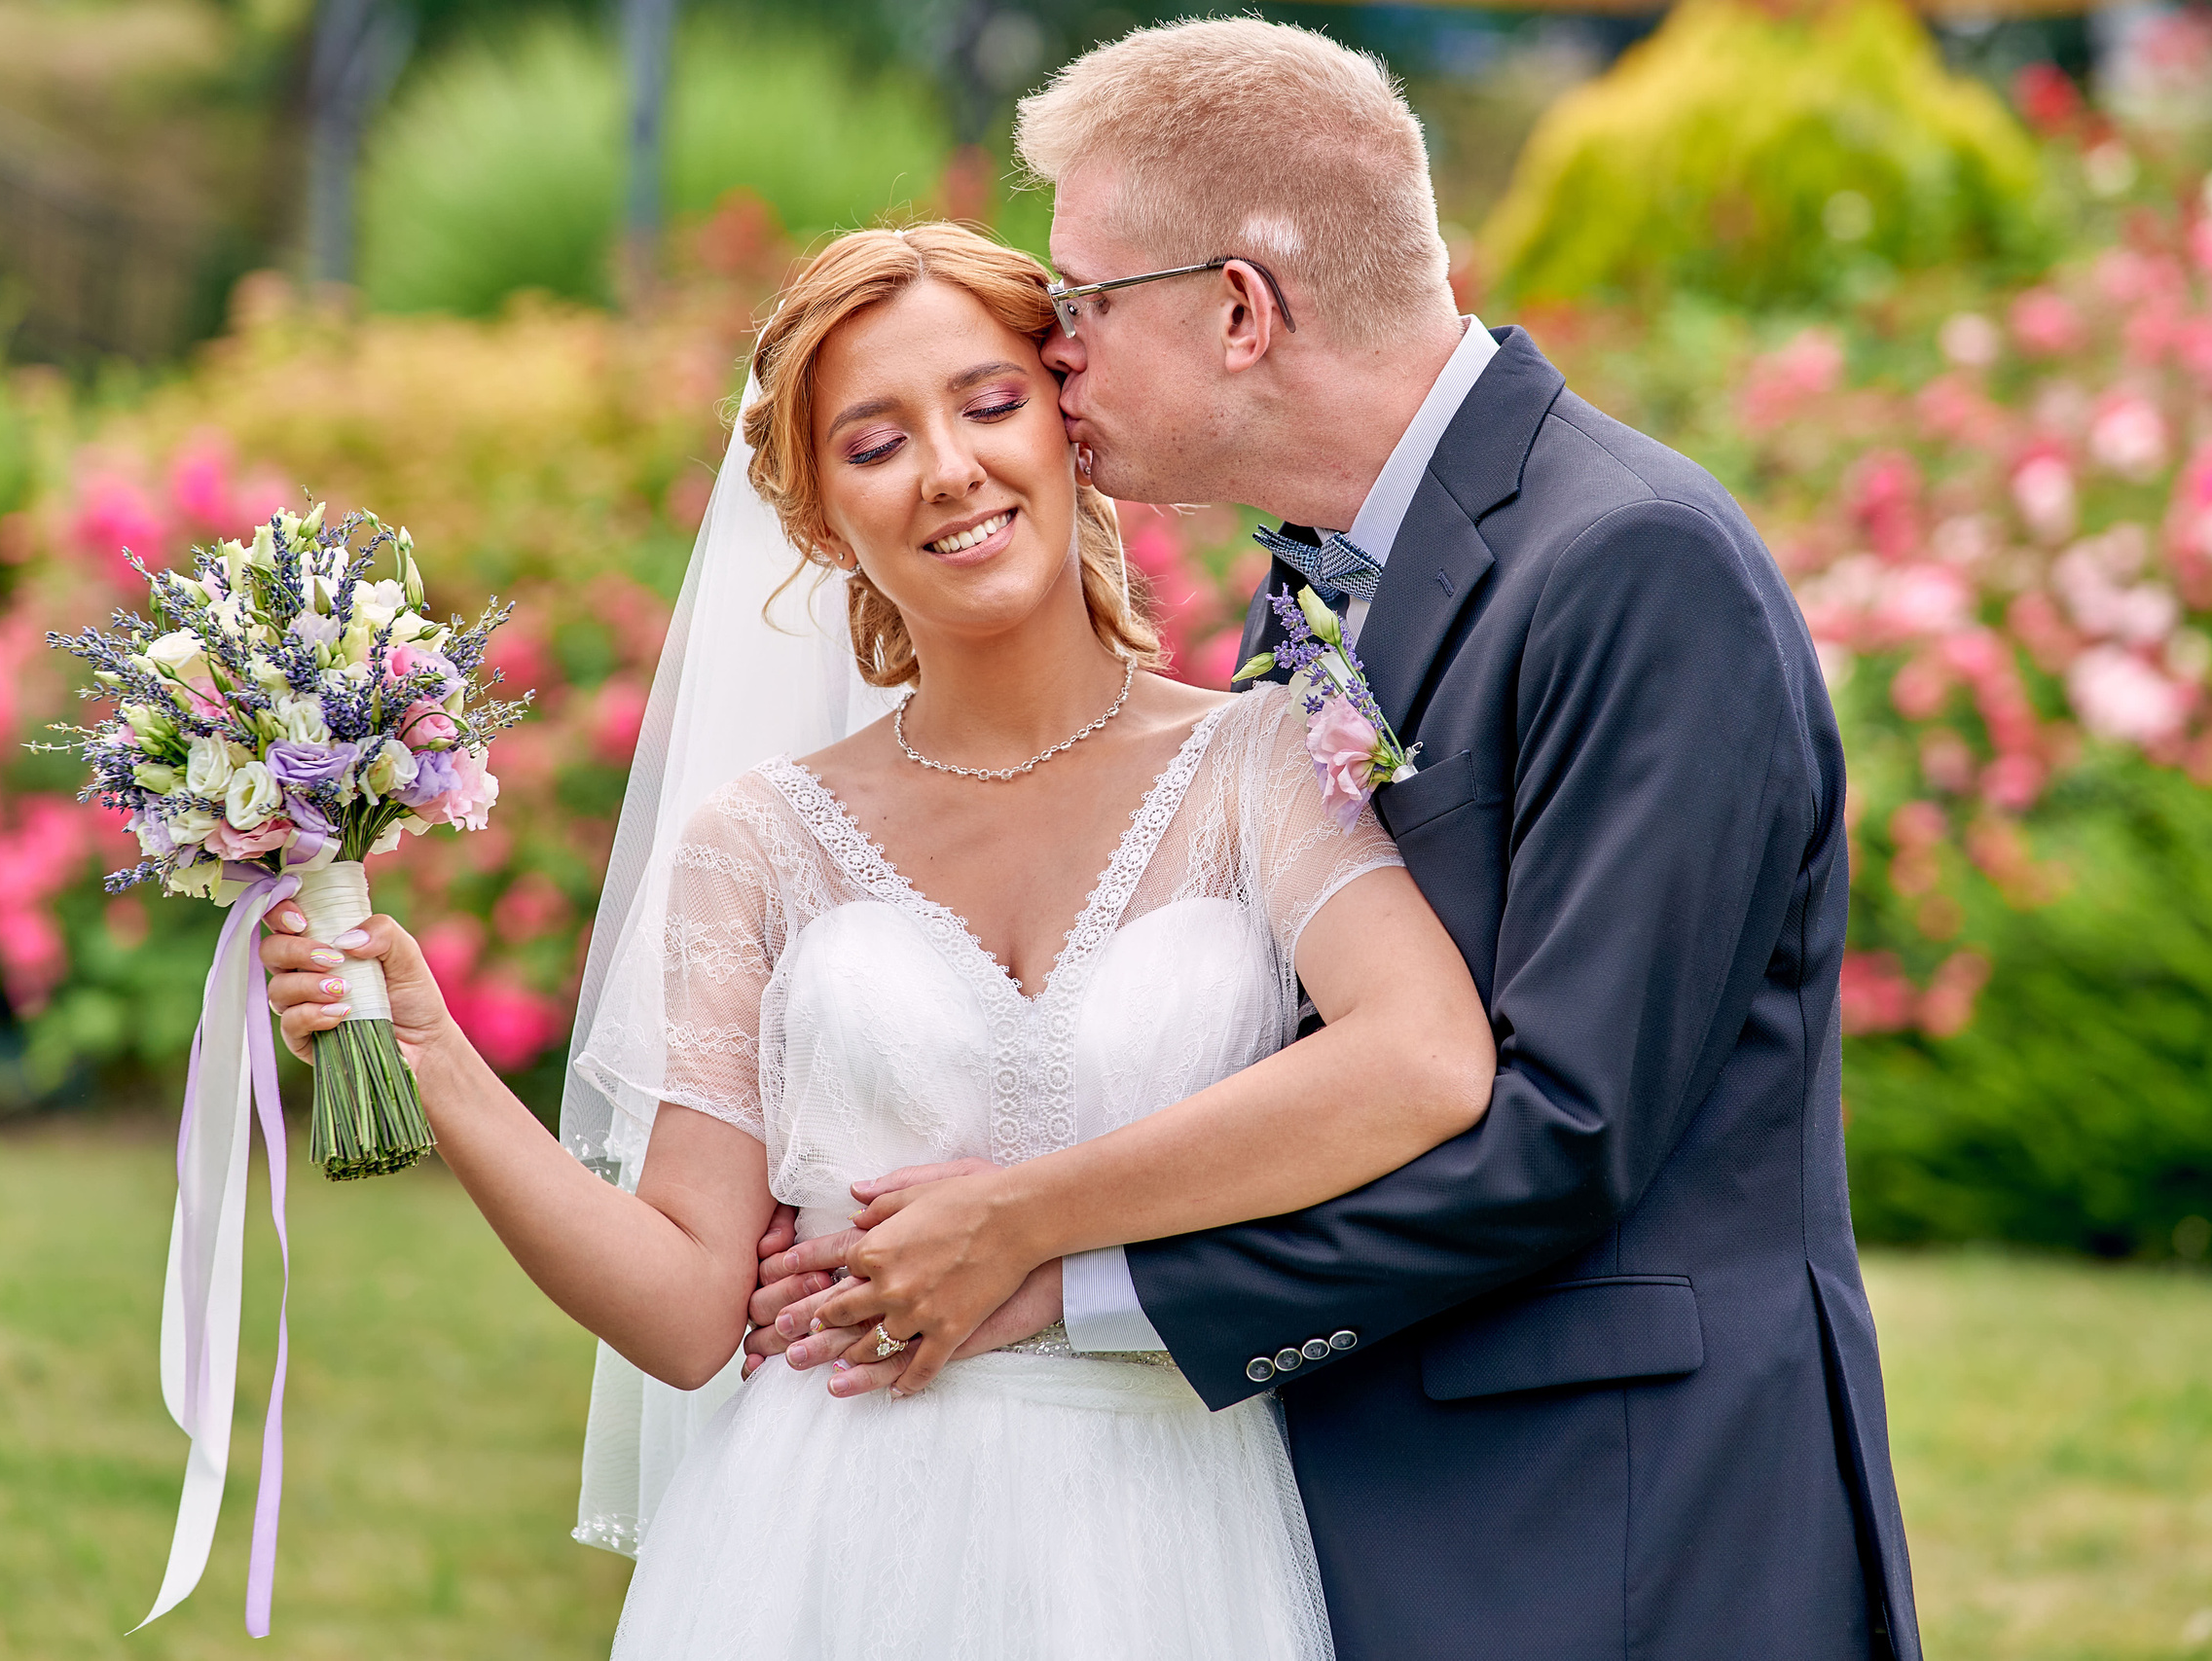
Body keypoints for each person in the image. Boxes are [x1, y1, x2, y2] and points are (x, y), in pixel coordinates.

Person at [744, 18, 1922, 1661]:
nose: (1056, 352)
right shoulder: (1318, 585)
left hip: (1628, 1526)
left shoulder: (1635, 569)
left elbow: (1563, 1129)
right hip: (1385, 1515)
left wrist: (1057, 1279)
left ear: (1239, 307)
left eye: (1081, 304)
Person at [262, 218, 1495, 1657]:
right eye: (873, 442)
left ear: (1069, 422)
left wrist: (1018, 1220)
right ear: (815, 517)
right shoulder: (759, 843)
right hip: (828, 1545)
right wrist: (441, 1066)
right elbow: (681, 1311)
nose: (950, 470)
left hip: (1173, 1540)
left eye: (989, 404)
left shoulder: (1259, 763)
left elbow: (1424, 1061)